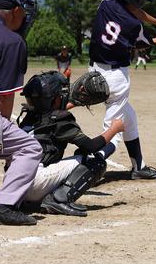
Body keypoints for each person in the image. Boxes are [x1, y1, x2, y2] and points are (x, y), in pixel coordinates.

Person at [89, 0, 156, 179]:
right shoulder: (133, 26)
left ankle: (139, 166)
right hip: (115, 79)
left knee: (129, 118)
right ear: (137, 0)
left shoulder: (105, 4)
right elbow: (143, 43)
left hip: (94, 72)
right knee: (113, 129)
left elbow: (134, 10)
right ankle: (88, 167)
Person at [18, 70, 124, 217]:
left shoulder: (28, 116)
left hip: (15, 187)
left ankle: (30, 202)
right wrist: (114, 129)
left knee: (72, 156)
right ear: (54, 100)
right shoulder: (61, 120)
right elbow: (91, 146)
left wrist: (73, 102)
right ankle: (59, 199)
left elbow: (49, 115)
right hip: (36, 184)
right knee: (93, 160)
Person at [0, 0, 42, 226]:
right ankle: (4, 206)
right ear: (13, 11)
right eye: (23, 13)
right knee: (29, 148)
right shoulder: (11, 41)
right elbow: (4, 97)